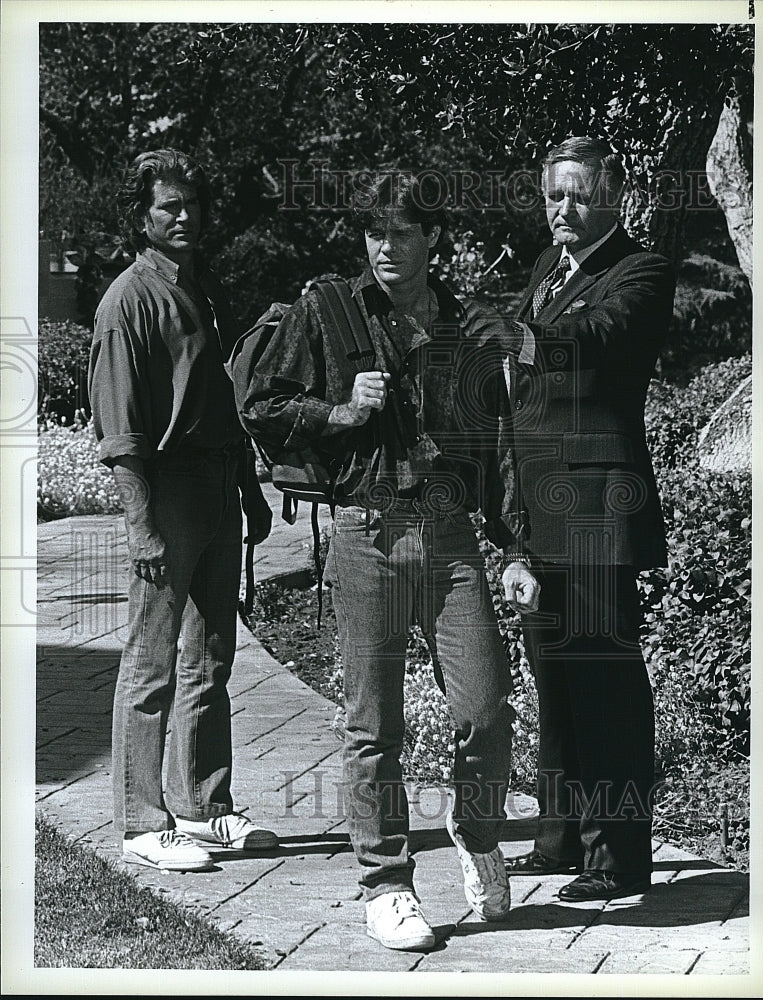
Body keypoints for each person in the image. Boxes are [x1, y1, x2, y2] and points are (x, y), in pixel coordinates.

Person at [232, 173, 540, 950]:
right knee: (374, 726)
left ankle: (475, 833)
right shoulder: (328, 308)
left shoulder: (465, 323)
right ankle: (386, 882)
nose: (386, 248)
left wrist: (512, 545)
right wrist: (340, 410)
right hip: (366, 536)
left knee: (487, 709)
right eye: (374, 234)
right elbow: (260, 403)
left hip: (451, 540)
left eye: (402, 233)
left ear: (430, 239)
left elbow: (495, 444)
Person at [88, 148, 277, 872]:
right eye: (169, 205)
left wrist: (250, 491)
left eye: (192, 203)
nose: (185, 216)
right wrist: (141, 525)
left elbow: (222, 400)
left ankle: (202, 805)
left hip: (216, 486)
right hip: (164, 493)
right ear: (141, 215)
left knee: (210, 657)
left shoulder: (203, 287)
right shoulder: (127, 302)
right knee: (151, 661)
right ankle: (141, 820)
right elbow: (122, 431)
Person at [502, 136, 676, 901]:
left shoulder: (639, 271)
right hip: (539, 514)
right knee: (555, 683)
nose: (560, 210)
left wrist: (523, 336)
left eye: (573, 195)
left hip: (598, 511)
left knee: (603, 685)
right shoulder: (546, 270)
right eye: (550, 197)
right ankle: (560, 839)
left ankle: (616, 860)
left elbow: (598, 341)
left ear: (610, 196)